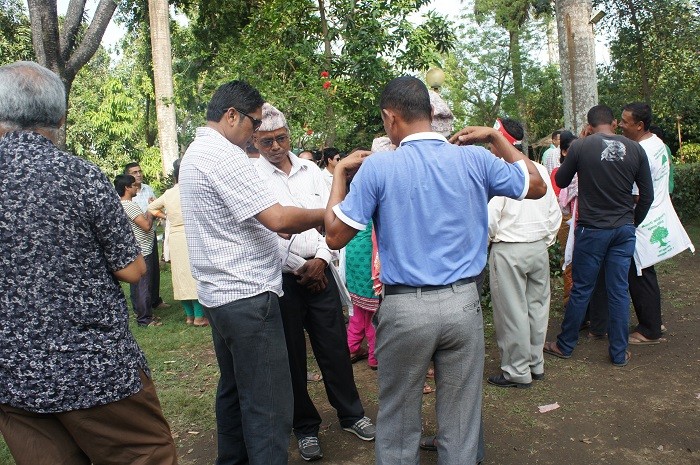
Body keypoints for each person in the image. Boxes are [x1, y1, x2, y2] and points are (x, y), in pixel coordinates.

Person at [325, 76, 546, 465]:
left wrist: (340, 172)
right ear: (429, 114)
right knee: (461, 417)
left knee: (397, 416)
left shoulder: (379, 169)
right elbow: (536, 185)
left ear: (390, 118)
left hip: (406, 308)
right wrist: (497, 141)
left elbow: (334, 235)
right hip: (463, 303)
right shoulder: (475, 159)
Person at [0, 60, 177, 464]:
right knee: (142, 455)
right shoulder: (78, 175)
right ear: (61, 116)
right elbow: (132, 270)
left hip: (12, 373)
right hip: (92, 367)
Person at [178, 80, 326, 465]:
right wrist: (325, 215)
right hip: (246, 298)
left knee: (234, 391)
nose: (256, 133)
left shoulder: (197, 152)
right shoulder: (222, 155)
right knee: (268, 403)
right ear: (231, 116)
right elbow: (278, 218)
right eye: (254, 123)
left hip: (220, 297)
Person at [253, 103, 375, 461]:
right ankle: (304, 426)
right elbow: (261, 231)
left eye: (280, 138)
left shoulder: (313, 171)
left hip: (321, 271)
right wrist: (298, 264)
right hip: (283, 278)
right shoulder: (251, 176)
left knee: (334, 348)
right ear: (256, 141)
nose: (275, 146)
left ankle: (351, 413)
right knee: (291, 355)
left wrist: (321, 259)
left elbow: (334, 214)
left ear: (290, 135)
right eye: (266, 141)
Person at [544, 104, 653, 367]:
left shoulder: (582, 146)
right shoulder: (636, 148)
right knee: (618, 290)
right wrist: (630, 222)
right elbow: (647, 195)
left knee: (582, 288)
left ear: (590, 125)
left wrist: (577, 148)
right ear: (614, 123)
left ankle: (565, 344)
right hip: (623, 230)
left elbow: (560, 180)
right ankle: (618, 352)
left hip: (592, 229)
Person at [486, 120, 561, 389]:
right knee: (538, 309)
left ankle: (517, 371)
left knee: (512, 312)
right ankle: (535, 364)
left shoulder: (500, 171)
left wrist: (488, 241)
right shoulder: (538, 169)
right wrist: (546, 240)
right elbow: (554, 212)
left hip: (509, 248)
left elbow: (491, 218)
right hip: (538, 246)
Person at [618, 102, 694, 344]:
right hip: (656, 213)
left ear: (639, 125)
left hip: (643, 218)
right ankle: (652, 320)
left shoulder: (640, 151)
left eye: (625, 122)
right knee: (644, 270)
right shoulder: (656, 143)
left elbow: (638, 193)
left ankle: (649, 329)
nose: (620, 125)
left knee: (640, 272)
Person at [148, 158, 208, 327]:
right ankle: (198, 317)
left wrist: (166, 216)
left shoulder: (168, 194)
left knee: (180, 275)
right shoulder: (193, 190)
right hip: (191, 234)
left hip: (175, 236)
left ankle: (189, 316)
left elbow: (152, 208)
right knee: (193, 275)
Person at [115, 174, 162, 327]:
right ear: (127, 188)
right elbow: (146, 226)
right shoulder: (129, 205)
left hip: (136, 247)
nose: (137, 188)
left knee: (137, 284)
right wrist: (150, 210)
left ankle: (140, 312)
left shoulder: (119, 204)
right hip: (143, 248)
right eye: (134, 186)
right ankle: (145, 319)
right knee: (144, 285)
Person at [124, 162, 169, 311]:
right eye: (134, 172)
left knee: (153, 269)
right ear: (128, 176)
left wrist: (154, 209)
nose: (138, 174)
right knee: (140, 272)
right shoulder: (126, 195)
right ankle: (140, 307)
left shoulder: (147, 189)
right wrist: (149, 212)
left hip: (150, 234)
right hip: (136, 238)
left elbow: (156, 207)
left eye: (139, 171)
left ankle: (155, 300)